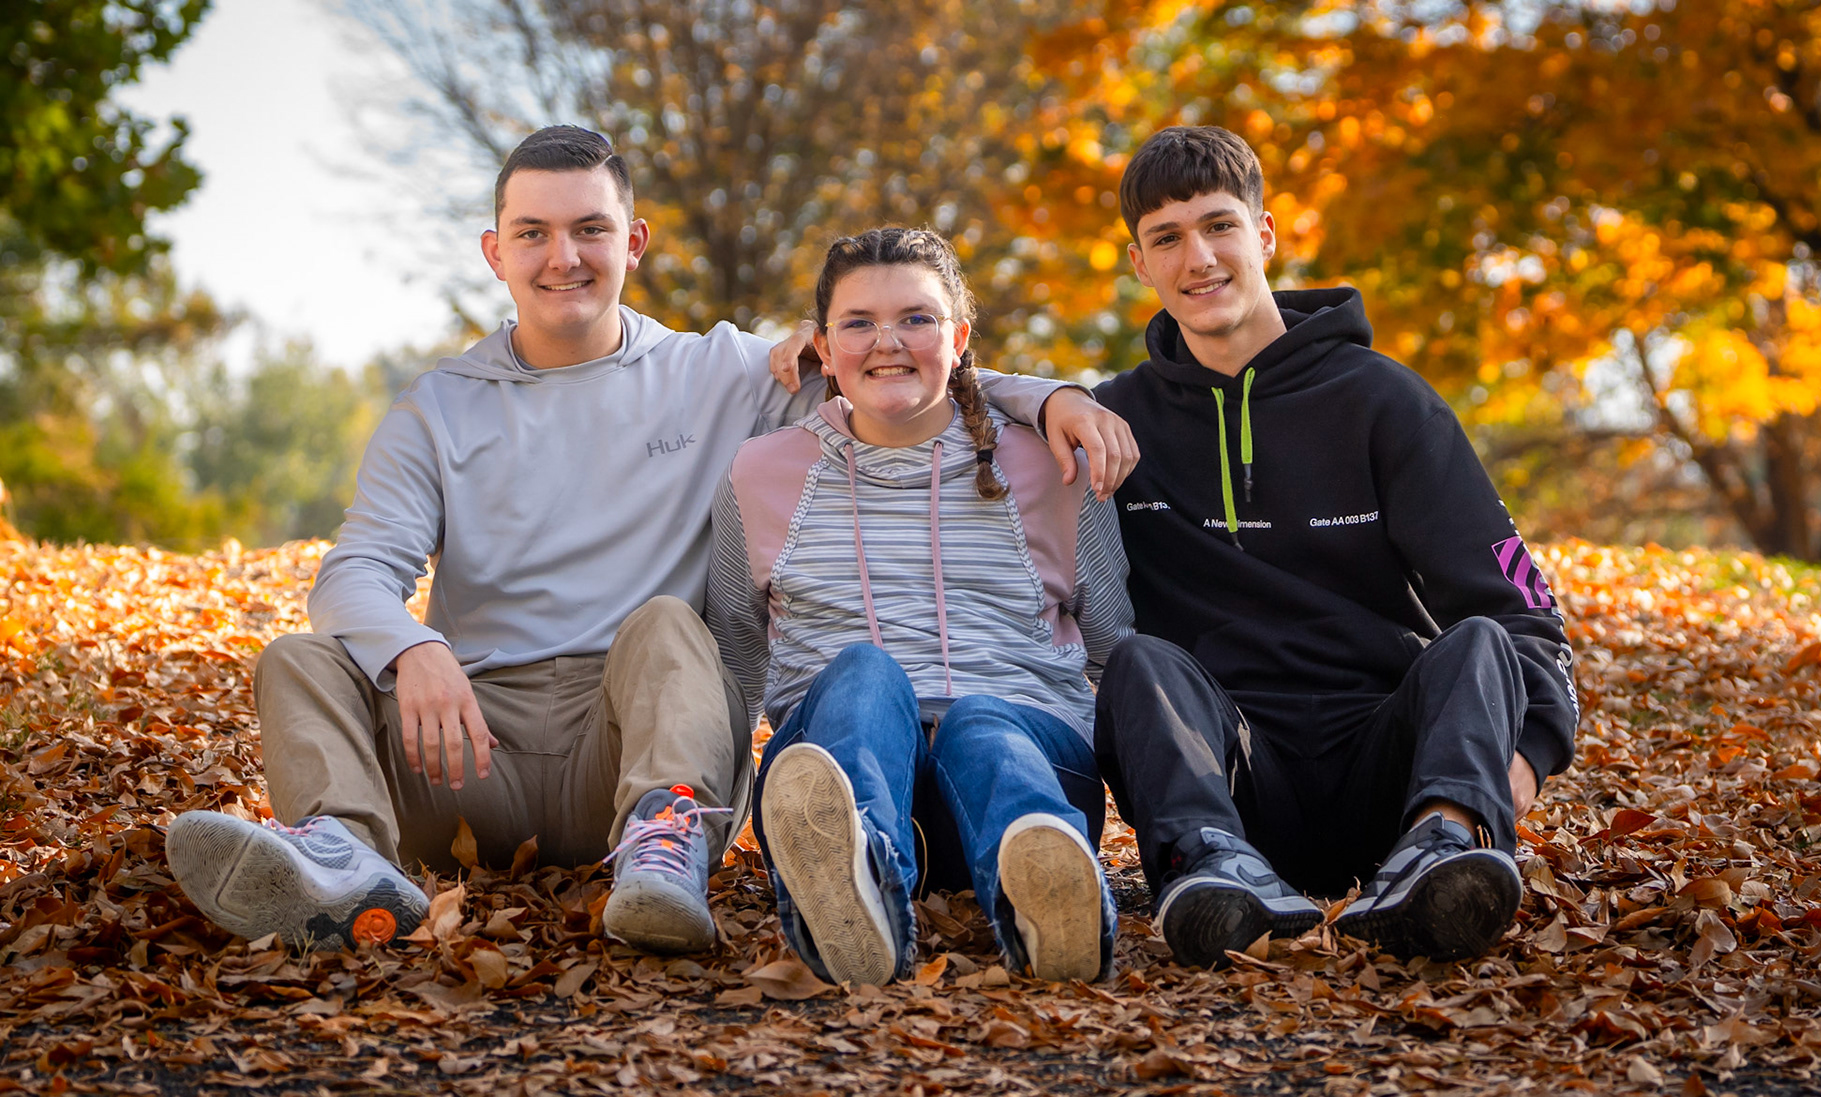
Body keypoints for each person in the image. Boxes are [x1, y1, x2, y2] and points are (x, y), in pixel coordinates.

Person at [162, 126, 1139, 954]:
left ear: (633, 241)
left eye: (590, 229)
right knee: (299, 657)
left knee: (670, 620)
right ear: (495, 252)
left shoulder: (716, 372)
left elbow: (899, 368)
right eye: (533, 233)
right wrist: (411, 646)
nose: (564, 256)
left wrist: (1050, 398)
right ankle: (344, 853)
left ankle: (663, 852)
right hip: (468, 752)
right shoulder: (438, 407)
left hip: (628, 735)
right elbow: (354, 572)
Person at [1091, 126, 1578, 967]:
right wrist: (1049, 399)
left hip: (1391, 777)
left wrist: (1519, 768)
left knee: (1478, 643)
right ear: (1140, 263)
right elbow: (963, 411)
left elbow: (1525, 612)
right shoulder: (1113, 422)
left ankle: (1442, 856)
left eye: (1219, 226)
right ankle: (1210, 871)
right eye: (1166, 238)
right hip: (1229, 782)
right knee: (1140, 663)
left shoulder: (1385, 401)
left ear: (1265, 234)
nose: (1197, 258)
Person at [707, 227, 1134, 985]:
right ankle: (856, 878)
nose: (887, 343)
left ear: (959, 338)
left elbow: (1111, 643)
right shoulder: (762, 471)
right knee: (865, 674)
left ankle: (1046, 888)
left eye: (916, 318)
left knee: (983, 721)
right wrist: (717, 812)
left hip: (1027, 766)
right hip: (839, 770)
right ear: (824, 347)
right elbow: (737, 656)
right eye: (859, 323)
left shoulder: (1052, 462)